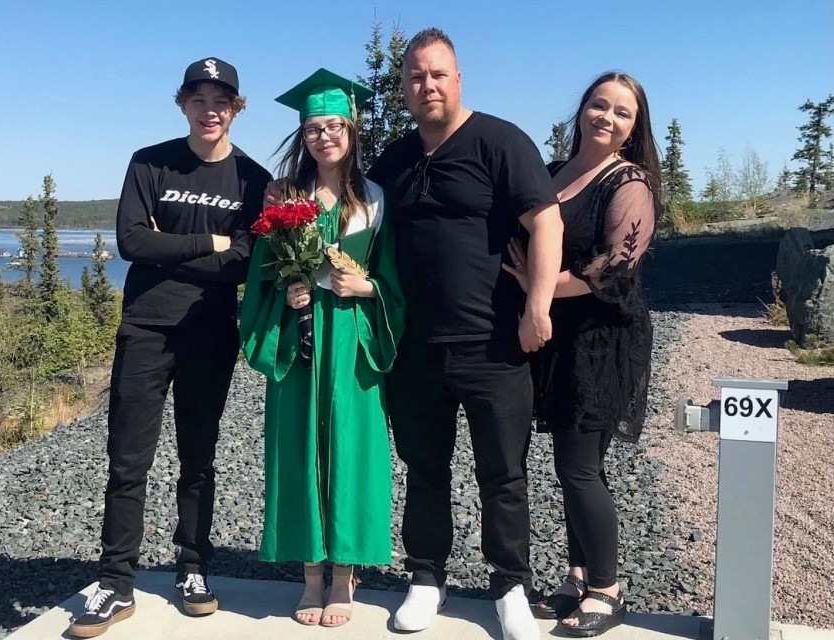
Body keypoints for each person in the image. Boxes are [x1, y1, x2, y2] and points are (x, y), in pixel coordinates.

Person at [365, 28, 563, 640]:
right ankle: (426, 578)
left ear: (458, 79)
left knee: (503, 474)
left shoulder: (499, 142)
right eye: (416, 76)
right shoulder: (394, 160)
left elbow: (546, 221)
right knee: (425, 469)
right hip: (415, 347)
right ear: (404, 86)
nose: (427, 85)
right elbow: (348, 220)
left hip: (494, 345)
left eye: (437, 74)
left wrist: (538, 305)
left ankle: (509, 588)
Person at [68, 57, 271, 638]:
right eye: (200, 99)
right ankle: (114, 582)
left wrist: (173, 245)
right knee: (128, 458)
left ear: (237, 107)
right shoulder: (149, 162)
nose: (211, 110)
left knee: (198, 457)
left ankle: (192, 567)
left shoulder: (253, 180)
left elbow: (248, 260)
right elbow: (132, 241)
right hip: (145, 328)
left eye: (222, 101)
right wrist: (211, 239)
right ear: (182, 102)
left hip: (210, 332)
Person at [240, 68, 404, 629]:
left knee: (350, 453)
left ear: (353, 129)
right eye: (313, 128)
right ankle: (312, 575)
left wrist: (369, 288)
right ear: (302, 136)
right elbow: (260, 276)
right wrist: (285, 290)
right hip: (301, 342)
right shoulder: (286, 197)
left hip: (353, 344)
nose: (323, 136)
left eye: (334, 125)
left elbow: (396, 281)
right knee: (299, 448)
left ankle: (345, 576)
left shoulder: (377, 199)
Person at [504, 71, 662, 637]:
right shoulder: (552, 174)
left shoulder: (630, 183)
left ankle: (608, 590)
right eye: (600, 105)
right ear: (582, 110)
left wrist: (536, 287)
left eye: (622, 112)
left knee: (580, 468)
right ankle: (577, 577)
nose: (607, 118)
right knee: (570, 467)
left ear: (634, 126)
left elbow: (613, 270)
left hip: (601, 339)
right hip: (553, 333)